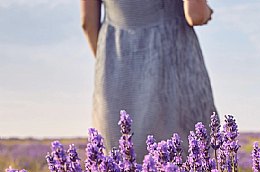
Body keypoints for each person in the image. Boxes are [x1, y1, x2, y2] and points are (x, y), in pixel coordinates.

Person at [81, 0, 217, 157]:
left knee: (118, 165)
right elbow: (196, 15)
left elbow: (87, 23)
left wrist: (108, 65)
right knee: (188, 163)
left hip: (117, 68)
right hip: (173, 63)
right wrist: (207, 11)